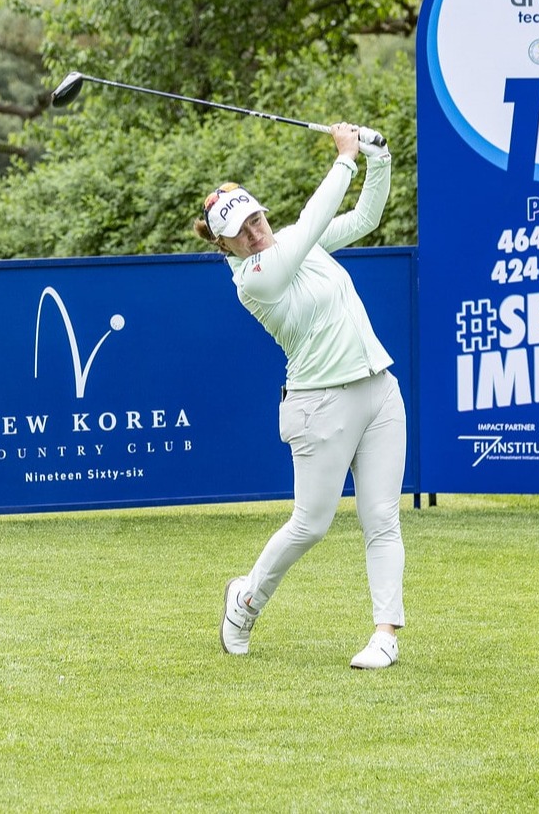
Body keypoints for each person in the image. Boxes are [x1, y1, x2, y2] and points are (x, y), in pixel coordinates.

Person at [196, 122, 406, 669]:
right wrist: (344, 159)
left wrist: (376, 160)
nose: (256, 232)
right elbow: (312, 221)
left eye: (257, 218)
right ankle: (245, 600)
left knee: (382, 517)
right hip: (319, 405)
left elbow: (363, 219)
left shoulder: (290, 241)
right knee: (311, 523)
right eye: (240, 231)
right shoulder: (255, 279)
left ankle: (385, 634)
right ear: (224, 245)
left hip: (378, 389)